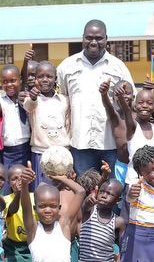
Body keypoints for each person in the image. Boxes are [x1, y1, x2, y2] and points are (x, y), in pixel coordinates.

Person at [57, 19, 135, 176]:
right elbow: (60, 102)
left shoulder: (118, 67)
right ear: (82, 38)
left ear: (106, 38)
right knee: (85, 192)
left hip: (111, 145)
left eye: (99, 38)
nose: (93, 42)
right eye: (89, 38)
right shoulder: (67, 67)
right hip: (80, 145)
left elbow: (130, 99)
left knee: (112, 193)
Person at [22, 61, 71, 189]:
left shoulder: (64, 100)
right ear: (35, 79)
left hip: (63, 154)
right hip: (41, 153)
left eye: (49, 76)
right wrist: (33, 98)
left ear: (55, 79)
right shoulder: (32, 99)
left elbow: (68, 125)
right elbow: (28, 107)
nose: (45, 80)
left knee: (62, 191)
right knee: (42, 190)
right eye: (40, 76)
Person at [78, 179, 125, 262]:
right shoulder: (89, 212)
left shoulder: (118, 222)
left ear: (118, 200)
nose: (104, 195)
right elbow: (85, 206)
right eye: (102, 192)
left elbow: (124, 247)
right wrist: (88, 200)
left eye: (109, 194)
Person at [1, 164, 37, 262]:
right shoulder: (5, 200)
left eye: (22, 178)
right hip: (13, 250)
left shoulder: (35, 198)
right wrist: (18, 194)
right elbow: (11, 210)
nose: (19, 182)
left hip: (32, 249)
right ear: (9, 182)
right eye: (14, 179)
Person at [0, 64, 31, 193]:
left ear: (20, 81)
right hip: (7, 152)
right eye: (5, 82)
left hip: (25, 149)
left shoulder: (28, 99)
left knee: (27, 185)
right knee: (8, 187)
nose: (9, 85)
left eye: (13, 80)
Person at [99, 79, 134, 184]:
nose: (123, 96)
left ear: (134, 96)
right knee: (119, 194)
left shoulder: (139, 116)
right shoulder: (115, 117)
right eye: (118, 94)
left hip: (137, 166)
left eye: (127, 93)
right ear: (113, 98)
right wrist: (104, 94)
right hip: (121, 166)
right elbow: (107, 106)